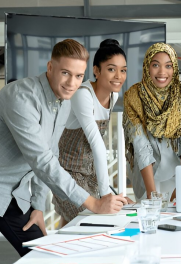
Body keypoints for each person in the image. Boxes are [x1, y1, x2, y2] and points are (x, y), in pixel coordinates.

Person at [0, 39, 127, 264]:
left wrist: (37, 206)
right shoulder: (21, 97)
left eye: (79, 76)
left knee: (44, 255)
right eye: (65, 73)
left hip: (11, 192)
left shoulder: (63, 102)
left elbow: (52, 152)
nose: (72, 83)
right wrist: (93, 203)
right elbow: (42, 161)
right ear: (50, 67)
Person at [52, 39, 132, 227]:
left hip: (89, 173)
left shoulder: (114, 95)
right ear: (96, 71)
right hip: (67, 172)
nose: (119, 76)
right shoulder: (83, 94)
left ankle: (62, 255)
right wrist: (105, 195)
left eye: (123, 70)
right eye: (112, 69)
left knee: (72, 224)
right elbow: (96, 143)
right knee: (89, 221)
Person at [123, 43, 181, 201]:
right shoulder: (133, 97)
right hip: (145, 175)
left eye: (168, 66)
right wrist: (151, 193)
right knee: (150, 216)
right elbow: (141, 145)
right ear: (147, 67)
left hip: (178, 172)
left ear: (174, 68)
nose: (162, 72)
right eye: (155, 65)